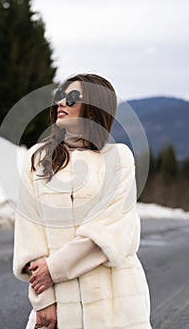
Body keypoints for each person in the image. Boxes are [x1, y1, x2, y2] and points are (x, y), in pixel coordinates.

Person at [13, 73, 152, 329]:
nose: (62, 102)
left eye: (73, 97)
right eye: (61, 96)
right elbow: (29, 234)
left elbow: (112, 231)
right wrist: (43, 301)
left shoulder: (119, 158)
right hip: (58, 301)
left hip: (115, 304)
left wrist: (53, 268)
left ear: (94, 108)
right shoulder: (37, 159)